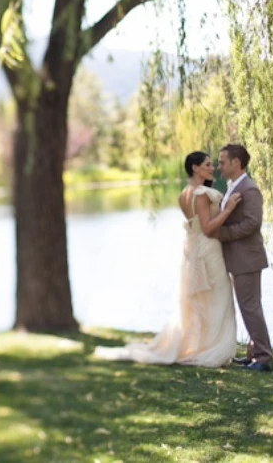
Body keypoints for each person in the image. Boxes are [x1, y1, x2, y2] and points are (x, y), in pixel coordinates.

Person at [92, 151, 241, 366]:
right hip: (208, 249)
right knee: (219, 297)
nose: (212, 168)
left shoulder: (185, 193)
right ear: (195, 168)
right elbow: (207, 228)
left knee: (205, 301)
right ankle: (212, 350)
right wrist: (227, 210)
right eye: (208, 164)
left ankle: (207, 345)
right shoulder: (200, 193)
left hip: (195, 249)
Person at [215, 144, 273, 371]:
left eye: (222, 161)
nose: (219, 165)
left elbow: (252, 223)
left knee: (250, 306)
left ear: (235, 162)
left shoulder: (249, 189)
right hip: (238, 258)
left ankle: (263, 357)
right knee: (248, 306)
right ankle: (253, 353)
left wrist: (222, 234)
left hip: (247, 258)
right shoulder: (233, 186)